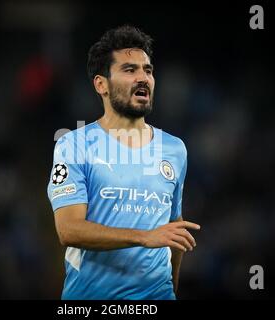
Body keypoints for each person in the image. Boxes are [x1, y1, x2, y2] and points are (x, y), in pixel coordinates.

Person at [47, 25, 200, 300]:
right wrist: (144, 236)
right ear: (101, 84)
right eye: (130, 70)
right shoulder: (74, 145)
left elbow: (173, 230)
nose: (143, 77)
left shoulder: (175, 149)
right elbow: (68, 230)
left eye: (148, 70)